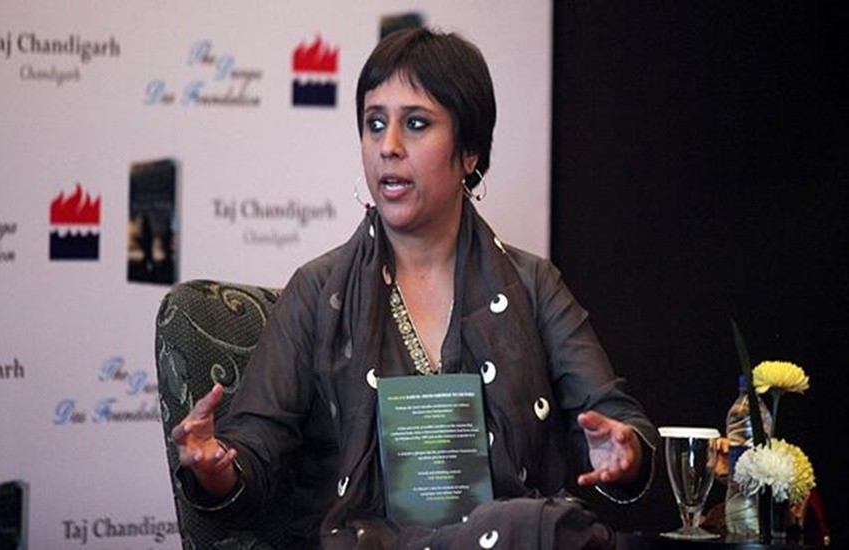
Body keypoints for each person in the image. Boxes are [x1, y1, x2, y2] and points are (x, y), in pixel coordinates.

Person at [172, 27, 659, 549]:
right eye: (374, 123)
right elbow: (255, 446)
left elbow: (612, 415)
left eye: (416, 124)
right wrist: (218, 468)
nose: (389, 147)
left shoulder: (533, 284)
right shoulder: (317, 291)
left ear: (469, 151)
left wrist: (623, 448)